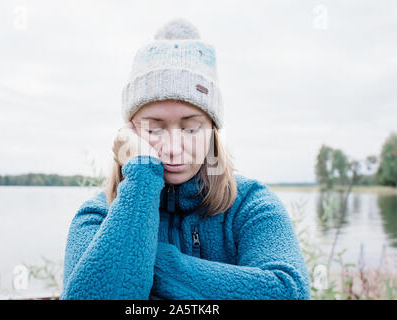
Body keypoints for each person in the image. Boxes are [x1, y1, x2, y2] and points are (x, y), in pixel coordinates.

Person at [60, 18, 311, 300]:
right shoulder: (97, 216)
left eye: (191, 128)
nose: (173, 147)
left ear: (213, 132)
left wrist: (147, 259)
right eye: (153, 129)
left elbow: (287, 292)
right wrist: (143, 174)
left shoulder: (251, 206)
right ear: (128, 133)